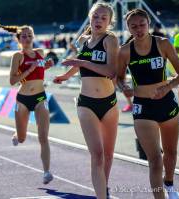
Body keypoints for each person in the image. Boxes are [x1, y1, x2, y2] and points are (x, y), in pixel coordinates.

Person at [117, 9, 179, 199]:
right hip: (143, 108)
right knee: (155, 160)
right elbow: (119, 78)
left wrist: (167, 87)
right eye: (134, 26)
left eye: (142, 25)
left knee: (170, 153)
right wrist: (125, 87)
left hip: (167, 105)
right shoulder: (124, 51)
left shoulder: (162, 44)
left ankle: (169, 184)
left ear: (148, 24)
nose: (138, 29)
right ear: (128, 28)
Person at [53, 2, 118, 199]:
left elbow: (110, 71)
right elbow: (80, 62)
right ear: (90, 17)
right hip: (86, 103)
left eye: (103, 18)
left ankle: (103, 188)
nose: (98, 21)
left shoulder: (110, 40)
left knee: (108, 155)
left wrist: (80, 62)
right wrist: (66, 75)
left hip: (109, 104)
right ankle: (101, 197)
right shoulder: (83, 40)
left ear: (109, 22)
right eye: (95, 17)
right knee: (97, 155)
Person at [0, 19, 54, 185]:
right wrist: (29, 69)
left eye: (29, 36)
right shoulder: (17, 56)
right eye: (24, 36)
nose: (27, 39)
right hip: (23, 99)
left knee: (43, 137)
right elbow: (12, 81)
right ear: (18, 39)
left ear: (33, 37)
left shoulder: (41, 52)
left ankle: (46, 172)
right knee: (22, 138)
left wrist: (47, 65)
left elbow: (41, 69)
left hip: (40, 97)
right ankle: (16, 134)